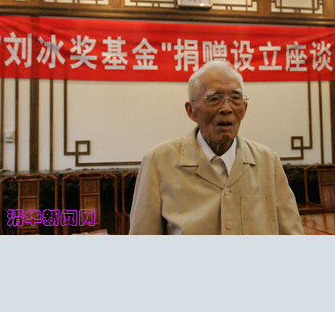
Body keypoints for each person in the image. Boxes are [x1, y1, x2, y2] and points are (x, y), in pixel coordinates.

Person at [129, 60, 304, 235]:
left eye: (235, 98)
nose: (226, 108)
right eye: (214, 99)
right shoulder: (160, 161)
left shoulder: (268, 161)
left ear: (244, 108)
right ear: (191, 110)